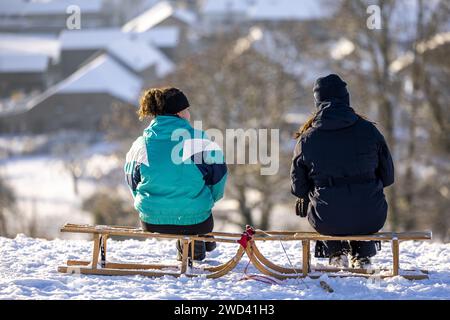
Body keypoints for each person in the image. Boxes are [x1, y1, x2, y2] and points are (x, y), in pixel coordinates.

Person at [290, 74, 395, 269]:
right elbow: (388, 177)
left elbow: (298, 188)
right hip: (372, 216)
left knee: (327, 199)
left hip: (326, 220)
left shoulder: (307, 138)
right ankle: (362, 254)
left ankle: (336, 252)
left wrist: (307, 195)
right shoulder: (369, 131)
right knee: (361, 198)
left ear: (318, 101)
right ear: (345, 98)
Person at [124, 87, 228, 261]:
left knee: (188, 214)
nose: (189, 114)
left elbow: (131, 181)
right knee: (197, 217)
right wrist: (207, 200)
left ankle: (197, 240)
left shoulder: (140, 144)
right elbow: (219, 179)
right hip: (196, 219)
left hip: (151, 220)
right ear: (180, 113)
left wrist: (149, 202)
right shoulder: (200, 141)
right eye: (187, 110)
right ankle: (199, 239)